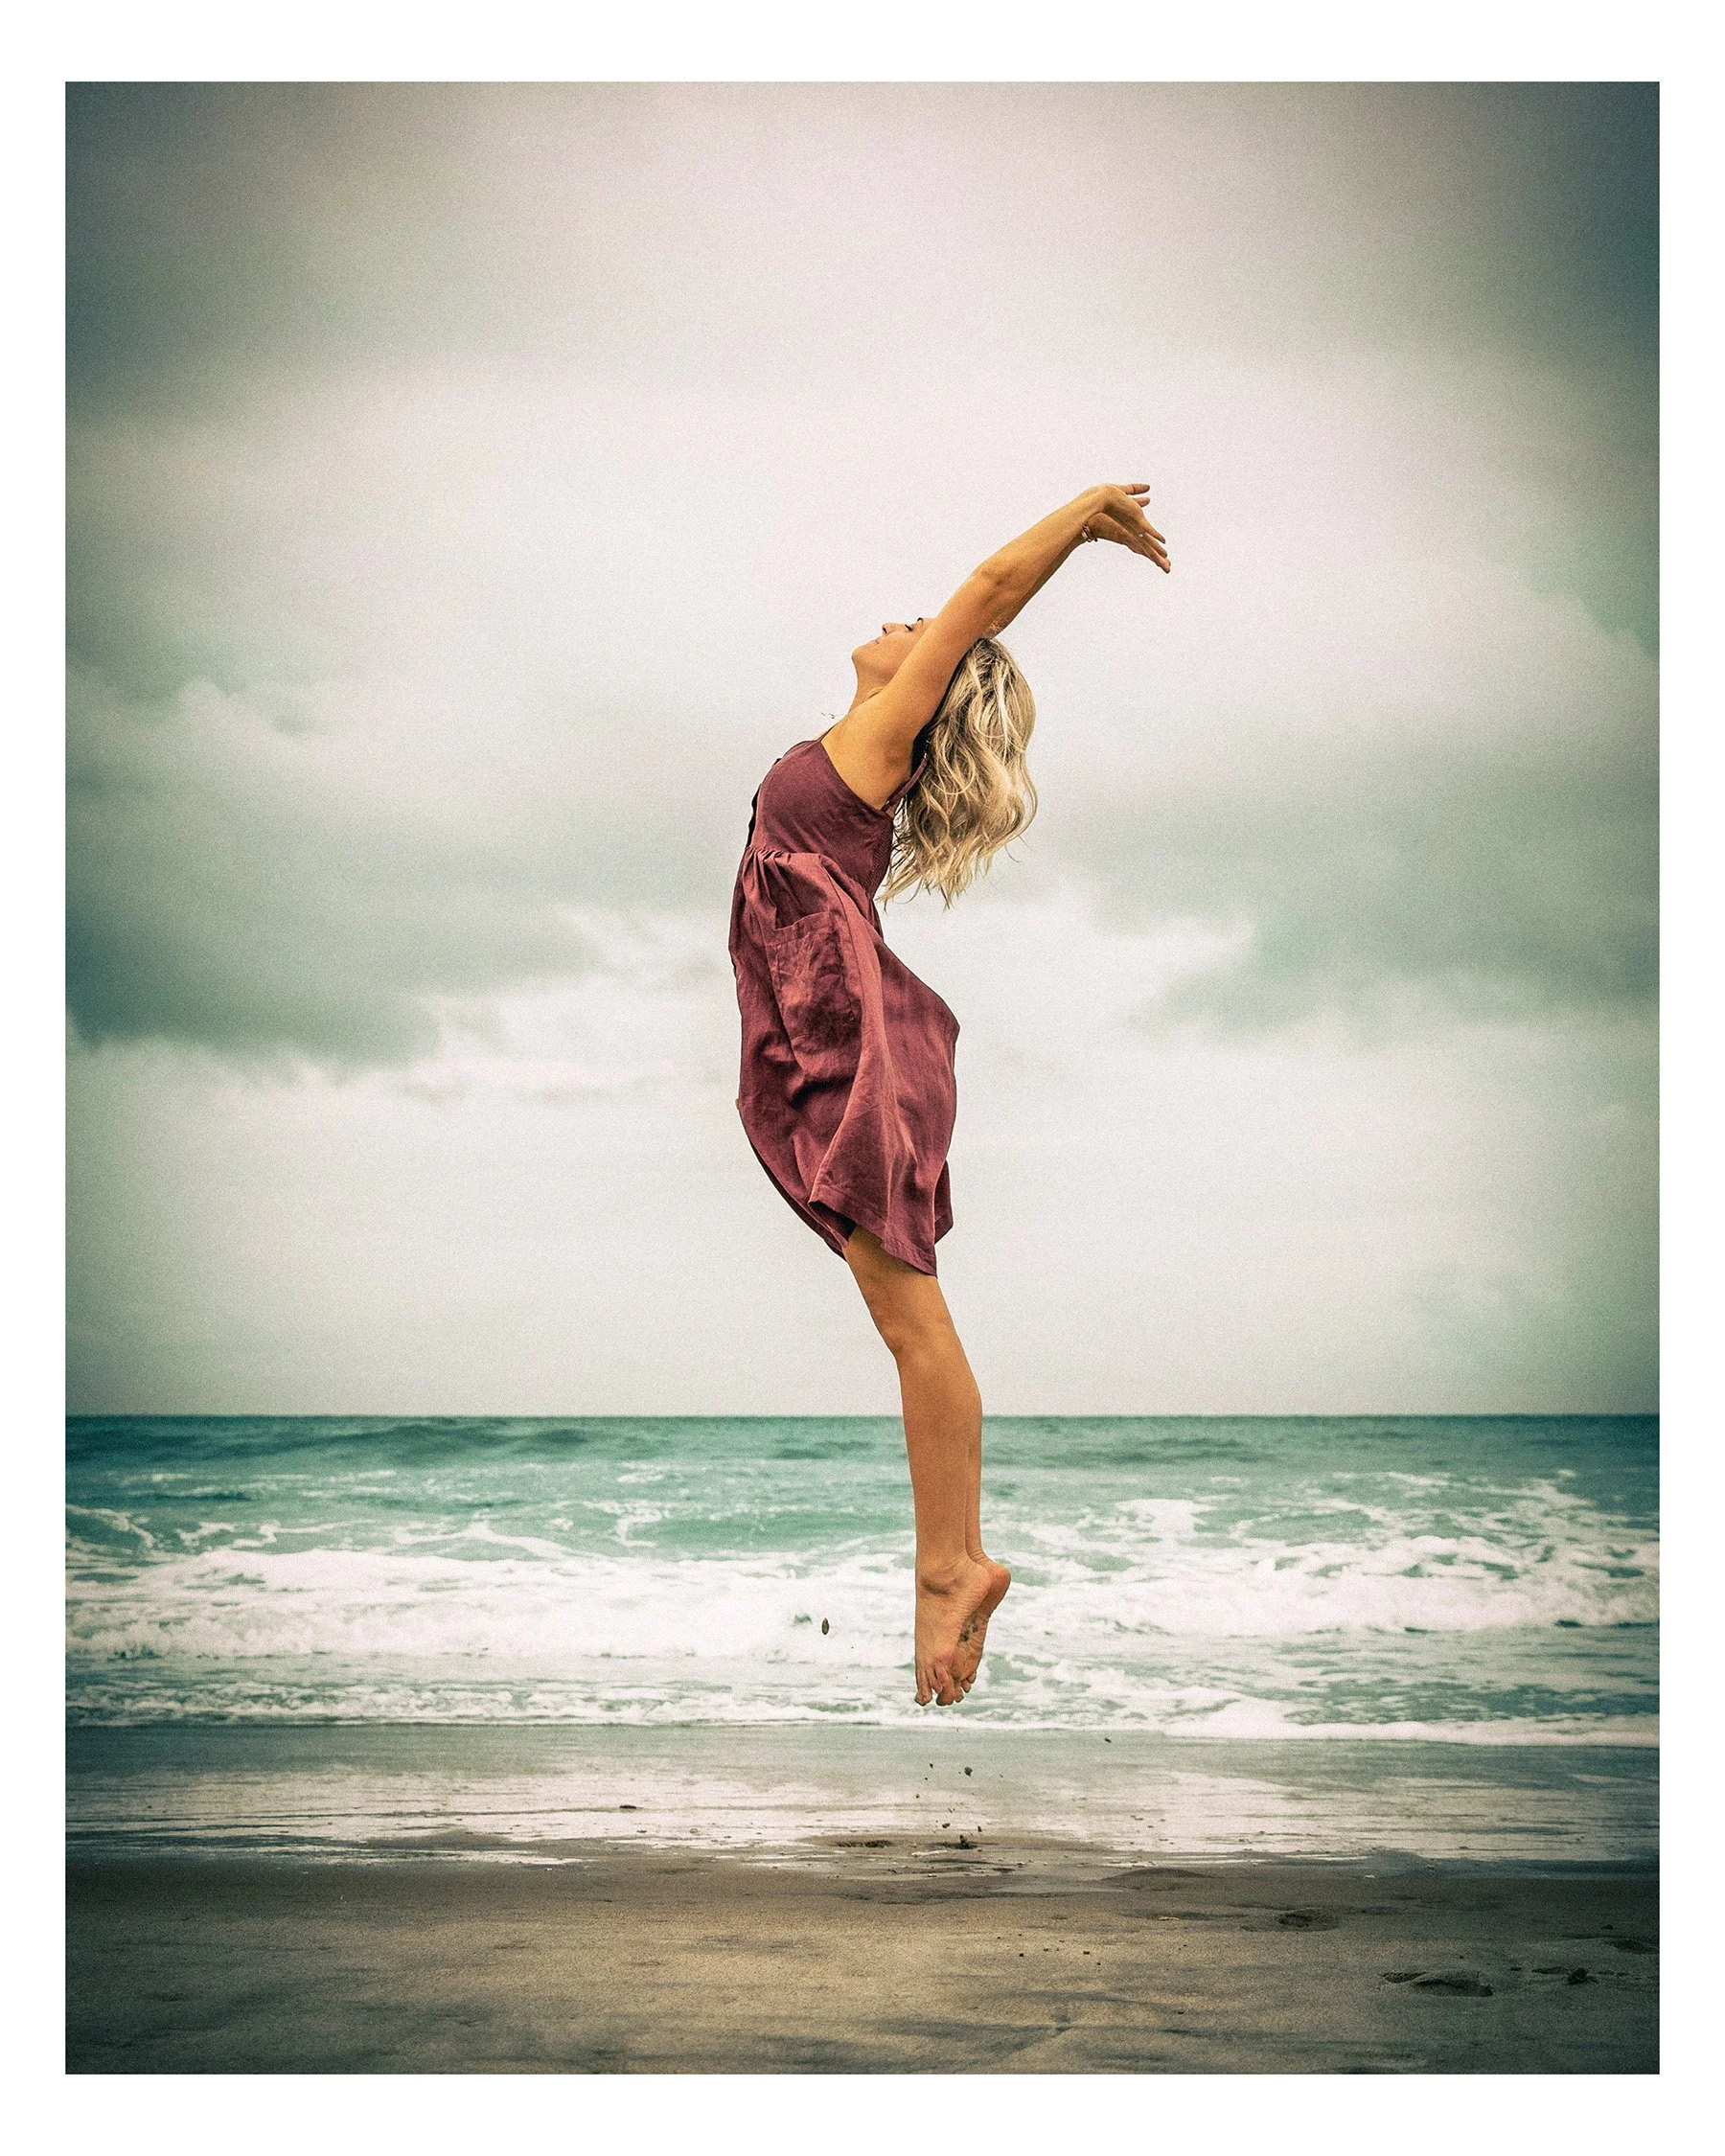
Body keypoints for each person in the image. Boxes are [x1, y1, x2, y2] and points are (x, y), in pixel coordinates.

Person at [729, 483, 1171, 1709]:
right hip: (832, 1034)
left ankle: (949, 1571)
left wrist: (1081, 518)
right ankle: (953, 1563)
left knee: (911, 1319)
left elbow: (982, 595)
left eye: (924, 633)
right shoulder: (852, 749)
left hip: (849, 1045)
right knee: (907, 1316)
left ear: (931, 681)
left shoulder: (874, 743)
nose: (902, 620)